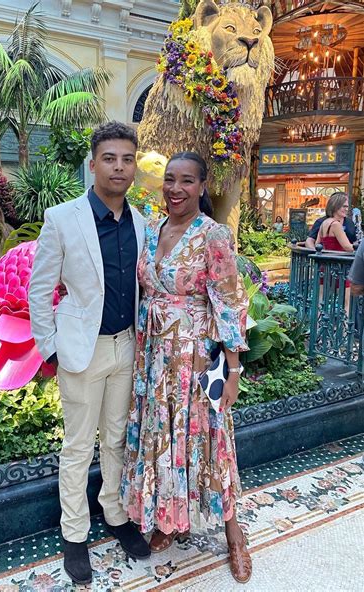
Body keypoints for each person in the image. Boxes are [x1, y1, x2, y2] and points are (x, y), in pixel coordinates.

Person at [121, 152, 252, 584]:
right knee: (163, 436)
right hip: (154, 358)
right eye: (170, 180)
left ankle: (234, 533)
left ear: (201, 186)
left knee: (211, 439)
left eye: (187, 181)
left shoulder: (213, 234)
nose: (175, 189)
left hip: (194, 360)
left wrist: (232, 371)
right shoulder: (153, 229)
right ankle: (170, 518)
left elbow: (229, 303)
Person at [29, 122, 150, 585]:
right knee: (79, 446)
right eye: (109, 158)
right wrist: (50, 349)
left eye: (127, 159)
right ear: (93, 163)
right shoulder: (63, 218)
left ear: (134, 166)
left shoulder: (142, 223)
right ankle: (74, 533)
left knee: (116, 440)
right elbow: (40, 289)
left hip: (127, 347)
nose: (119, 167)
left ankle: (114, 513)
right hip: (82, 350)